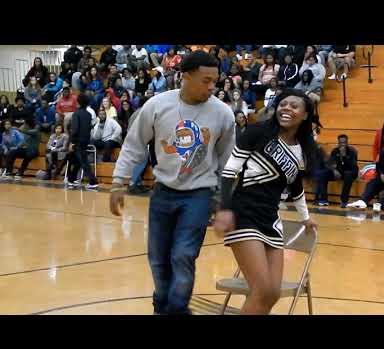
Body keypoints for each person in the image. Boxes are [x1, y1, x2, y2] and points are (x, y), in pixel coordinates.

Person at [110, 51, 235, 315]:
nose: (212, 86)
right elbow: (134, 145)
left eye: (215, 80)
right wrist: (118, 182)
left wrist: (224, 205)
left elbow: (228, 163)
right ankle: (163, 307)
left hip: (199, 195)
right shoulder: (157, 105)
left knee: (183, 256)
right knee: (158, 260)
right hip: (163, 193)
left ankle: (176, 309)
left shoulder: (223, 113)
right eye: (206, 80)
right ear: (185, 76)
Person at [214, 88, 318, 315]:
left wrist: (306, 218)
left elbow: (296, 187)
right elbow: (229, 173)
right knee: (261, 290)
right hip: (244, 215)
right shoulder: (256, 132)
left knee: (272, 293)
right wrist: (224, 208)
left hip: (271, 220)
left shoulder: (302, 151)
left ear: (306, 114)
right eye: (283, 104)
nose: (287, 108)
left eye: (294, 106)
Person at [347, 137, 384, 212]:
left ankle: (380, 205)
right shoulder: (382, 152)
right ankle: (363, 201)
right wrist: (381, 174)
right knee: (372, 182)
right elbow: (378, 166)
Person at [314, 134, 358, 207]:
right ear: (338, 143)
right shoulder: (335, 151)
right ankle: (324, 199)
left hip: (351, 172)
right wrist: (334, 170)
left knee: (348, 174)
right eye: (341, 143)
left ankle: (344, 200)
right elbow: (330, 164)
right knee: (322, 174)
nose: (342, 144)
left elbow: (351, 166)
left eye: (344, 142)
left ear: (347, 143)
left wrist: (344, 156)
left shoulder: (352, 151)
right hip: (339, 172)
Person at [66, 93, 99, 189]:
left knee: (84, 162)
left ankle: (93, 181)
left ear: (78, 102)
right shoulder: (88, 114)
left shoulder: (76, 114)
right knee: (78, 161)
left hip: (78, 141)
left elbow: (75, 130)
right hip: (86, 140)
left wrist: (72, 142)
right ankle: (71, 179)